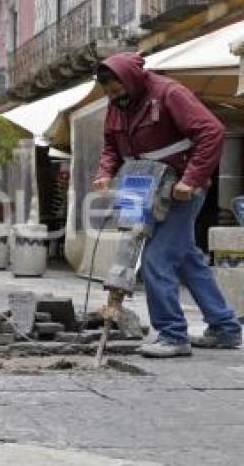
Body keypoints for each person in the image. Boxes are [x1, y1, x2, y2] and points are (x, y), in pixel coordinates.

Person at [92, 52, 242, 358]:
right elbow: (111, 144)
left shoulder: (170, 93)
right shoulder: (117, 105)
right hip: (138, 183)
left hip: (177, 187)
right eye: (108, 92)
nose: (114, 97)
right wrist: (105, 172)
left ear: (131, 81)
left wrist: (192, 179)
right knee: (186, 257)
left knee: (157, 258)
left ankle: (173, 334)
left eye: (117, 91)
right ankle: (225, 327)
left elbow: (211, 131)